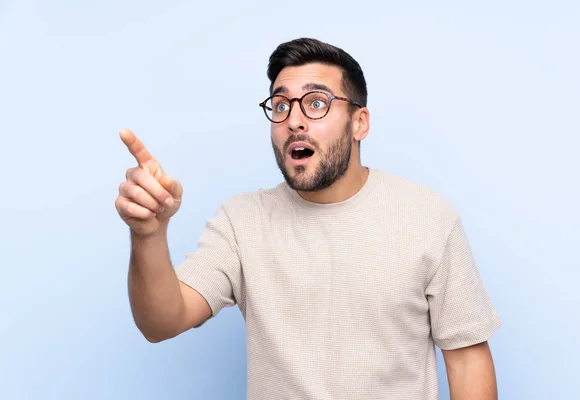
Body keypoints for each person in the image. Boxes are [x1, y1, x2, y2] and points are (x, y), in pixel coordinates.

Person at [115, 37, 502, 400]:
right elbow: (161, 322)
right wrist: (147, 234)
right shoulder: (242, 221)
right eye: (281, 106)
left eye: (316, 103)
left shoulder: (426, 217)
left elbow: (467, 358)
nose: (294, 121)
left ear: (359, 123)